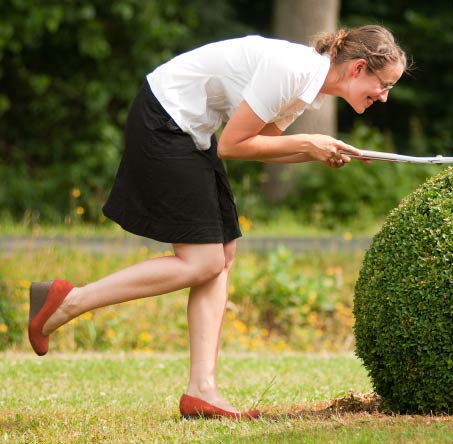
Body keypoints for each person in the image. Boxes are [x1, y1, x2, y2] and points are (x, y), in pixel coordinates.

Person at [27, 25, 408, 420]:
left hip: (191, 130)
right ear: (359, 68)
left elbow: (257, 147)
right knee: (203, 261)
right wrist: (309, 143)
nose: (384, 97)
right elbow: (231, 144)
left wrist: (319, 152)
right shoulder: (293, 71)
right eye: (384, 85)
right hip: (166, 118)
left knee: (221, 255)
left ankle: (202, 391)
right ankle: (67, 302)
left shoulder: (305, 89)